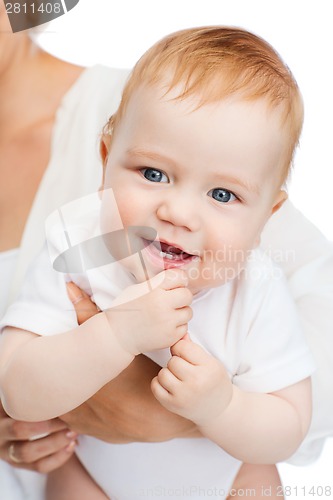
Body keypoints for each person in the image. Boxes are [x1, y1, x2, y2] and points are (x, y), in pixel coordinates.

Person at [0, 25, 316, 499]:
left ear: (267, 215)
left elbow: (290, 427)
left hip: (227, 481)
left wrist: (220, 408)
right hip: (92, 476)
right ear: (106, 159)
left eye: (222, 194)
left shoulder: (257, 287)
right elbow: (16, 389)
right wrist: (115, 333)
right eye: (153, 173)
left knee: (259, 483)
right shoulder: (78, 248)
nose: (178, 213)